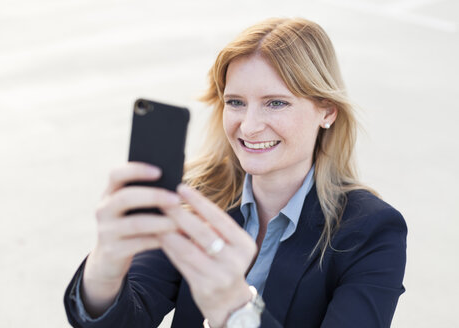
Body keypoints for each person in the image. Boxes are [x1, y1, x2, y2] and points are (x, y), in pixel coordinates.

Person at [64, 17, 407, 328]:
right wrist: (106, 264)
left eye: (276, 102)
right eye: (236, 102)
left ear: (327, 111)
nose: (250, 126)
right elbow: (126, 319)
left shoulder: (372, 231)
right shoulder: (197, 196)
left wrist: (234, 308)